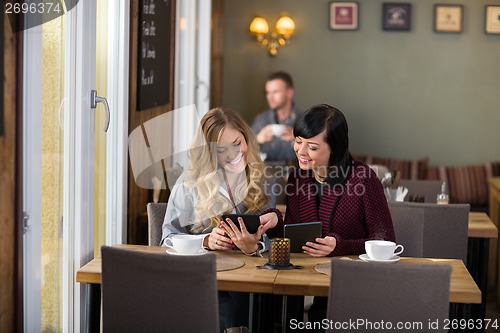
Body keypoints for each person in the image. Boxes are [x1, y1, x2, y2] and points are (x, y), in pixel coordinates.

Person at [266, 104, 396, 329]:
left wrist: (341, 246)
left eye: (313, 147)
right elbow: (296, 238)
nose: (301, 151)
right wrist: (276, 223)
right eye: (298, 141)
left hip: (355, 289)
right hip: (308, 283)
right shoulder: (298, 179)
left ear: (335, 147)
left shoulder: (363, 179)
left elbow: (386, 242)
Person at [161, 106, 282, 331]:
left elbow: (276, 239)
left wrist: (254, 246)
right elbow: (167, 238)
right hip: (203, 284)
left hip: (252, 286)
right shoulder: (189, 184)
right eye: (221, 150)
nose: (233, 155)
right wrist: (205, 241)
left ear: (246, 138)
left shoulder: (264, 181)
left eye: (237, 144)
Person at [252, 71, 302, 163]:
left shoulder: (304, 120)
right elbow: (245, 151)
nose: (269, 97)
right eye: (268, 92)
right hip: (267, 173)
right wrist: (257, 139)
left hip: (297, 173)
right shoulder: (261, 120)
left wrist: (300, 138)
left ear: (290, 93)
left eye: (275, 92)